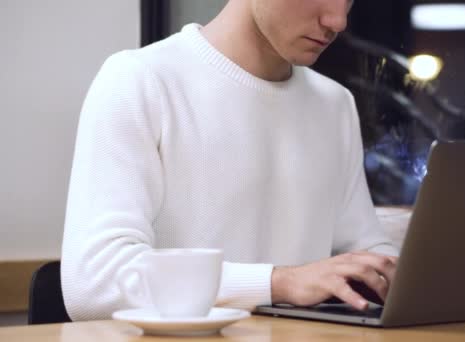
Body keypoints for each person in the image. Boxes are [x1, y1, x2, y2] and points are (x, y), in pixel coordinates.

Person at [61, 0, 399, 321]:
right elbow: (94, 280)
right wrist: (278, 283)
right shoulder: (139, 79)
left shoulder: (334, 103)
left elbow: (365, 249)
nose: (337, 20)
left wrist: (406, 274)